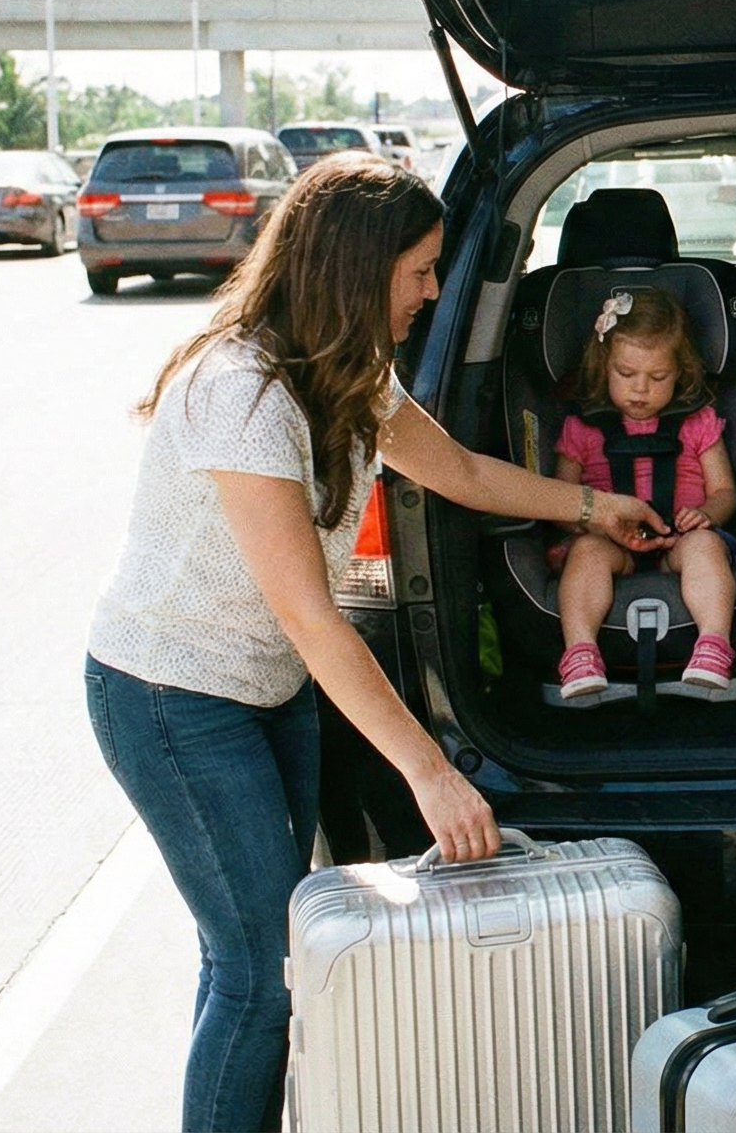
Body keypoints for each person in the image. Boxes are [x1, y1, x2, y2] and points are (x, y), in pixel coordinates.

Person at [84, 154, 672, 1132]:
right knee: (260, 974)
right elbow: (313, 616)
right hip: (172, 697)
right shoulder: (244, 394)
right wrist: (430, 772)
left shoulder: (349, 373)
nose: (434, 291)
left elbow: (464, 472)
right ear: (360, 269)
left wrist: (594, 504)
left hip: (266, 690)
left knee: (251, 956)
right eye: (421, 269)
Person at [549, 286, 736, 696]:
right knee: (585, 554)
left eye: (658, 378)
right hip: (611, 544)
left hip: (680, 539)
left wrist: (708, 514)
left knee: (706, 547)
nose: (640, 389)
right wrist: (593, 525)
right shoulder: (582, 427)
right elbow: (561, 499)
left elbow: (724, 491)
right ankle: (580, 651)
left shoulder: (698, 423)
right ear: (604, 367)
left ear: (680, 372)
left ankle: (713, 645)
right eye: (626, 374)